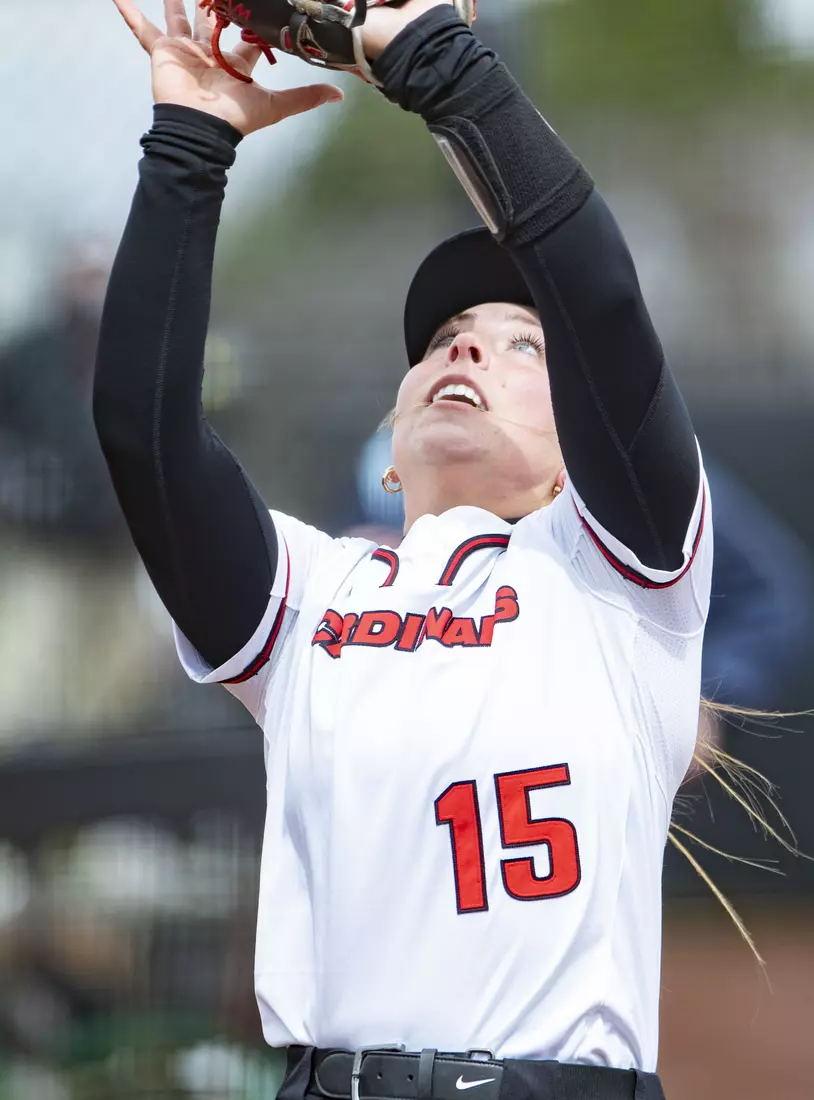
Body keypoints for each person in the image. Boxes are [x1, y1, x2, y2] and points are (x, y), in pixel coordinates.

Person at [94, 2, 713, 1098]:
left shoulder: (621, 576)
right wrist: (191, 139)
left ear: (584, 453)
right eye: (439, 340)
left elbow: (602, 302)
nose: (468, 341)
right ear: (389, 452)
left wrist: (440, 65)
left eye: (522, 343)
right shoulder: (307, 597)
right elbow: (145, 436)